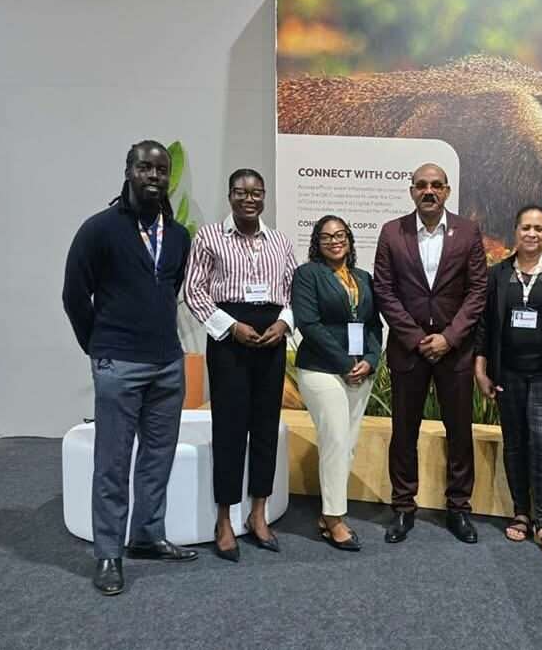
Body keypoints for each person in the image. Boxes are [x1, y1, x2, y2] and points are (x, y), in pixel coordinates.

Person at [63, 140, 197, 595]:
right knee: (113, 462)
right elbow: (73, 294)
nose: (154, 176)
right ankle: (108, 553)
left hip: (167, 363)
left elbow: (170, 288)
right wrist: (97, 346)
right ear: (128, 171)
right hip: (118, 362)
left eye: (161, 169)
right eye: (144, 168)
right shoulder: (99, 229)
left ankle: (147, 536)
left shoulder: (177, 235)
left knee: (158, 457)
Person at [184, 168, 296, 561]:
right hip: (229, 338)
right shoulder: (209, 237)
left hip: (271, 337)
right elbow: (194, 291)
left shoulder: (280, 241)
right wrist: (231, 327)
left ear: (264, 197)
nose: (249, 198)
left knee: (265, 426)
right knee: (229, 428)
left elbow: (293, 291)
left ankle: (258, 513)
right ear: (229, 195)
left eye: (256, 192)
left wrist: (284, 324)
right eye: (241, 192)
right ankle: (224, 519)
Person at [373, 162, 488, 544]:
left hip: (454, 352)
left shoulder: (468, 231)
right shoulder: (392, 232)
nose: (429, 191)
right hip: (409, 351)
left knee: (459, 432)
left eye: (436, 185)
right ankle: (403, 507)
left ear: (447, 191)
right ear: (411, 191)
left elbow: (477, 291)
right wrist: (416, 337)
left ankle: (458, 508)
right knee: (404, 432)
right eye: (421, 185)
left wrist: (449, 338)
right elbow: (384, 290)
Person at [474, 205, 542, 557]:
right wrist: (481, 369)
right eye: (526, 227)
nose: (532, 234)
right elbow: (484, 326)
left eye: (538, 228)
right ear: (516, 231)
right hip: (508, 374)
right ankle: (521, 513)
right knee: (515, 445)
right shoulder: (498, 274)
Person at [292, 216, 382, 551]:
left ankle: (329, 511)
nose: (334, 241)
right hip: (321, 370)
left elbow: (374, 325)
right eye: (326, 236)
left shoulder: (363, 278)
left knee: (349, 443)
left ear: (349, 239)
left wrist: (370, 359)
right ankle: (333, 519)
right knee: (335, 440)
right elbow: (308, 324)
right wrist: (345, 364)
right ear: (317, 242)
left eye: (340, 235)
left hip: (360, 370)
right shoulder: (308, 274)